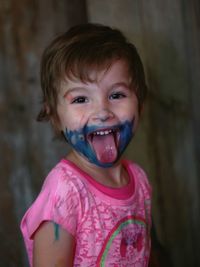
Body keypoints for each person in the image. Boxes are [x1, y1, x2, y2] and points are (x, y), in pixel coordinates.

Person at [21, 23, 152, 267]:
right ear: (56, 117)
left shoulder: (139, 179)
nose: (101, 112)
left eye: (116, 95)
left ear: (140, 104)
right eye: (81, 99)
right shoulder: (64, 194)